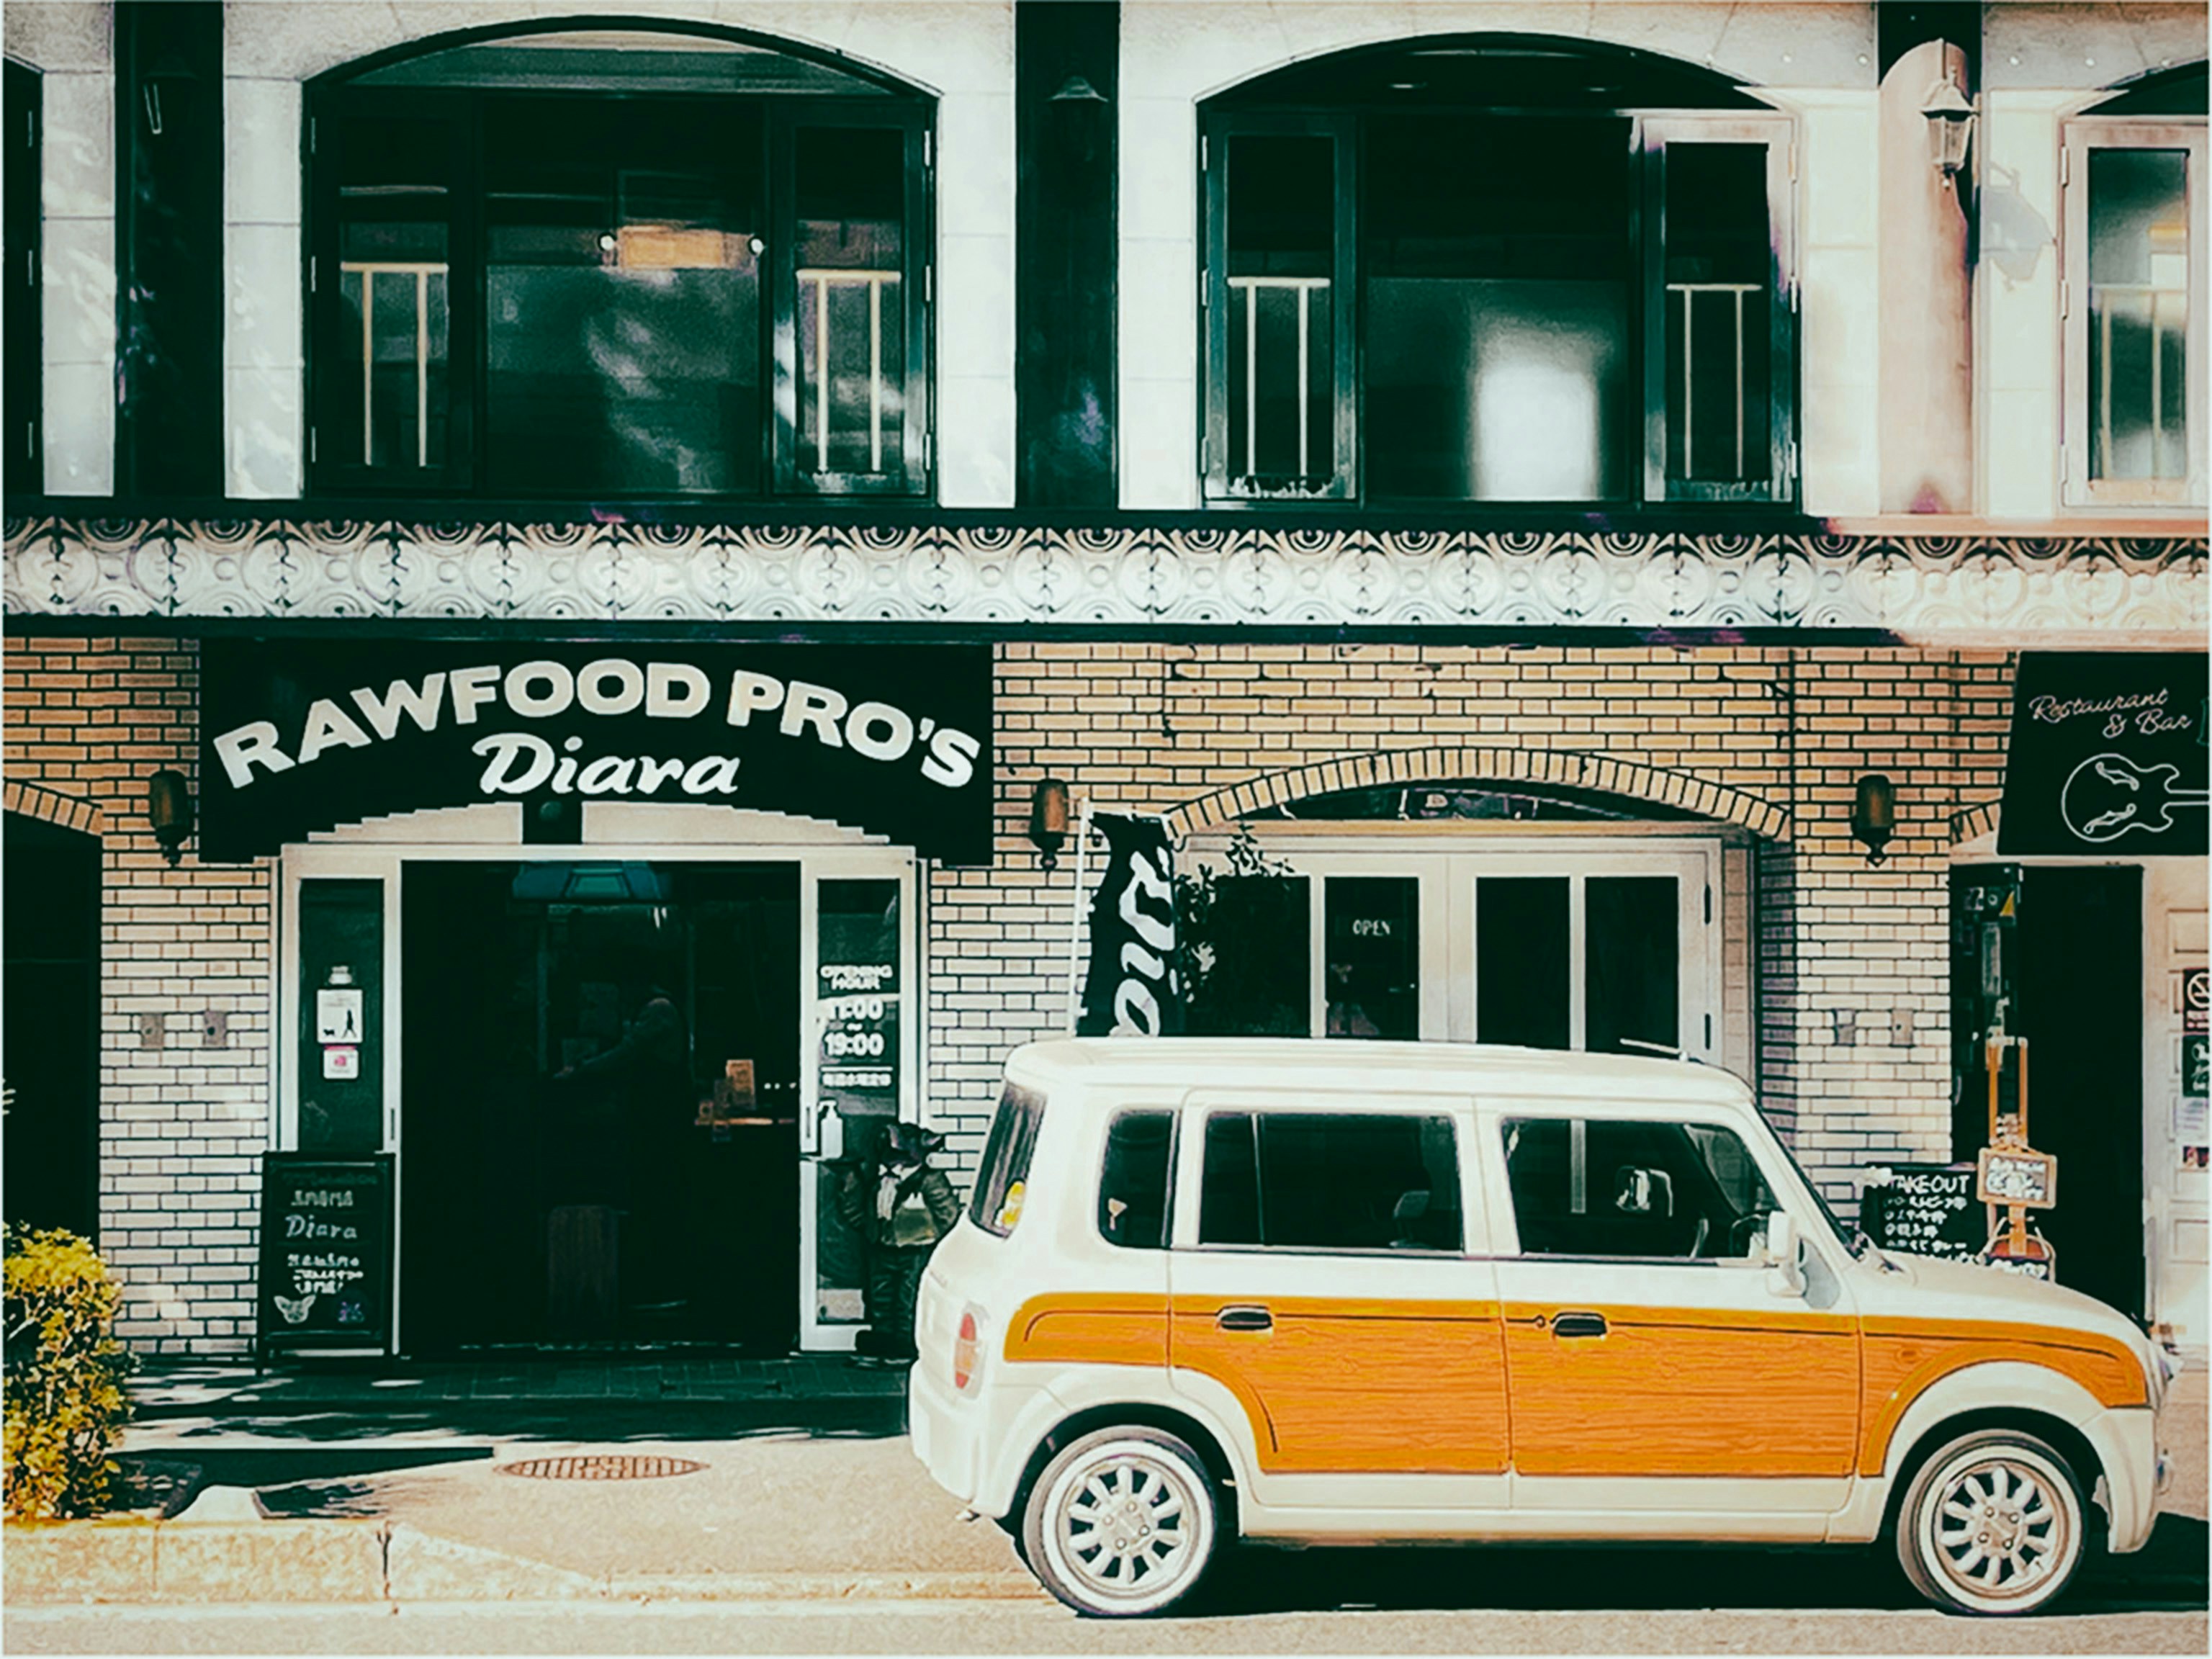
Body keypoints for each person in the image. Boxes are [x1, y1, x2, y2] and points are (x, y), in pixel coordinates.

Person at [837, 1120, 959, 1366]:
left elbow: (949, 1216)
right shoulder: (878, 1180)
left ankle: (905, 1345)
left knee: (908, 1298)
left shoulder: (929, 1181)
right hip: (882, 1247)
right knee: (880, 1296)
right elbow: (861, 1212)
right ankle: (884, 1341)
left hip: (915, 1250)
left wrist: (940, 1246)